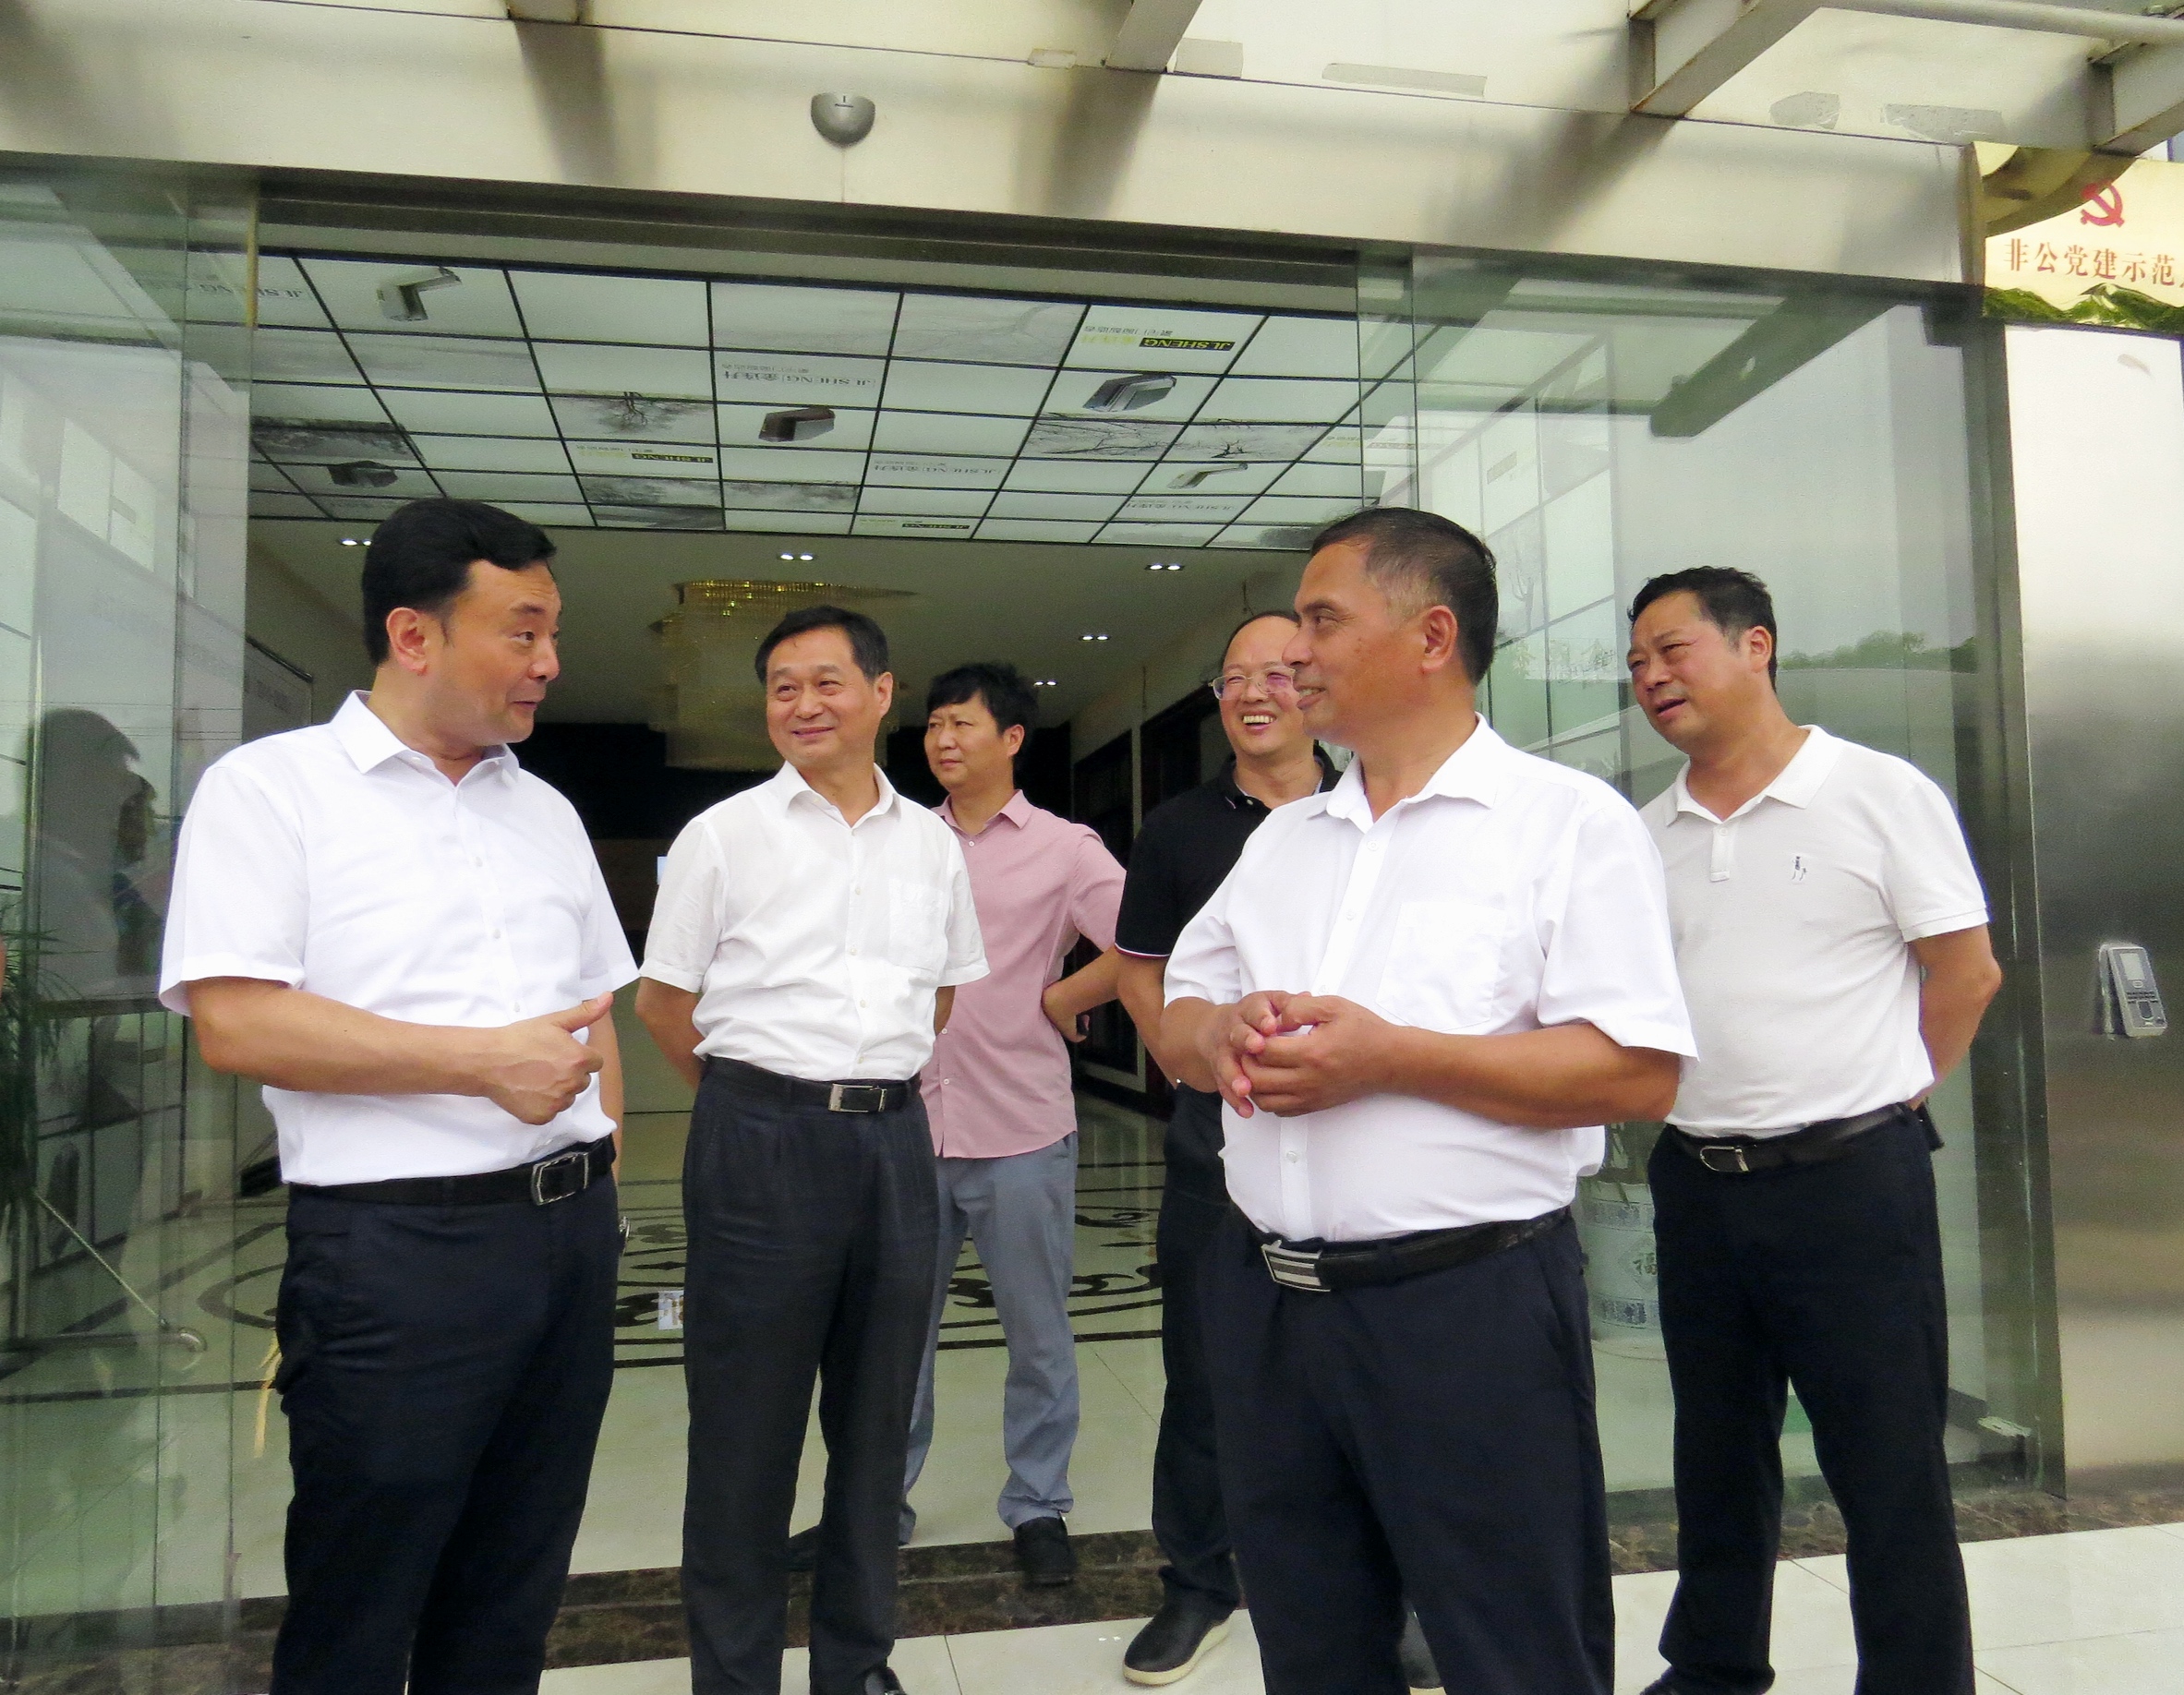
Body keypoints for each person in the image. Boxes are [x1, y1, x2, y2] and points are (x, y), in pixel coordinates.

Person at [1161, 507, 1696, 1695]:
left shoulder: (1565, 825)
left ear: (1431, 636)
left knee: (1514, 1650)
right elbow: (1181, 1018)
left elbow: (1634, 1071)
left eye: (1320, 621)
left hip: (1466, 1311)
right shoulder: (1285, 842)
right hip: (1266, 1307)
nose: (1293, 653)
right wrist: (1218, 1033)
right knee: (1313, 1647)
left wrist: (1391, 1058)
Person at [160, 499, 635, 1695]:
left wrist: (603, 1184)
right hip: (397, 1254)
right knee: (362, 1601)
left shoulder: (546, 811)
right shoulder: (272, 790)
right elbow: (236, 1020)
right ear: (414, 636)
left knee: (514, 1587)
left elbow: (594, 1014)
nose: (550, 662)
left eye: (553, 633)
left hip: (568, 1243)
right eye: (522, 632)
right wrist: (477, 1062)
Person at [1623, 569, 2001, 1695]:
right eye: (1636, 663)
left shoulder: (1876, 791)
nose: (1650, 677)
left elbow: (1965, 971)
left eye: (1672, 650)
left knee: (1885, 1458)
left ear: (1756, 646)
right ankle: (1713, 1667)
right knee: (1714, 1450)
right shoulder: (1644, 832)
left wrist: (1898, 1090)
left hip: (1849, 1181)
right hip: (1698, 1178)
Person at [634, 606, 986, 1695]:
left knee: (877, 1427)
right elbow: (663, 1005)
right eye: (782, 687)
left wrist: (853, 1090)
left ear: (881, 694)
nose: (802, 704)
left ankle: (857, 1662)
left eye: (826, 682)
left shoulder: (932, 844)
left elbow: (939, 998)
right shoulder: (722, 835)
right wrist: (758, 1106)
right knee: (744, 1437)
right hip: (759, 1141)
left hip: (894, 1141)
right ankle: (734, 1678)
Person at [1110, 607, 1334, 1686]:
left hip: (1356, 1131)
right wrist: (1177, 1049)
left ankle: (1375, 1583)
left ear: (1318, 684)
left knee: (1355, 1371)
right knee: (1204, 1368)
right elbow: (1137, 962)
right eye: (1234, 678)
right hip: (1219, 1136)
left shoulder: (1375, 807)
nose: (1253, 694)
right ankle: (1198, 1583)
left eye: (1280, 673)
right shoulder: (1180, 828)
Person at [902, 660, 1126, 1581]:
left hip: (1021, 1131)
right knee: (892, 1343)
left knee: (1037, 1336)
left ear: (1011, 738)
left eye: (961, 723)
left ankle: (1037, 1506)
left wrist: (1060, 997)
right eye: (932, 725)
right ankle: (875, 1505)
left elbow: (1141, 939)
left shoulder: (1065, 849)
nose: (942, 740)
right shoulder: (899, 840)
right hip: (906, 1130)